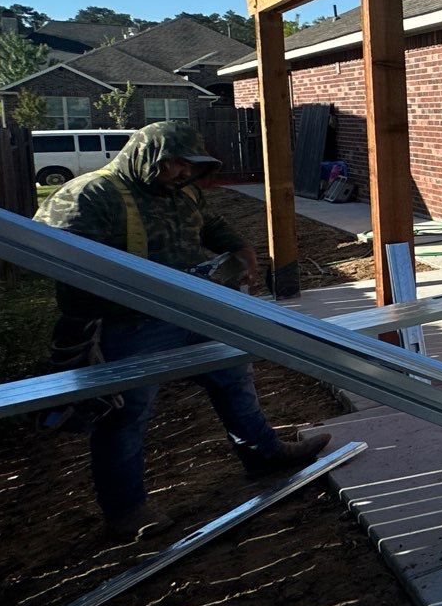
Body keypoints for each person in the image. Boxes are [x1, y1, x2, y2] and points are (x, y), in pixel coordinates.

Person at [34, 121, 331, 540]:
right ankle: (127, 511)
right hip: (132, 323)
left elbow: (210, 224)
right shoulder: (91, 194)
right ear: (146, 155)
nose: (179, 172)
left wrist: (240, 248)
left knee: (234, 380)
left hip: (194, 311)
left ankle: (264, 455)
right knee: (126, 414)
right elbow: (63, 264)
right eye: (171, 163)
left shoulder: (184, 191)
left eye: (186, 166)